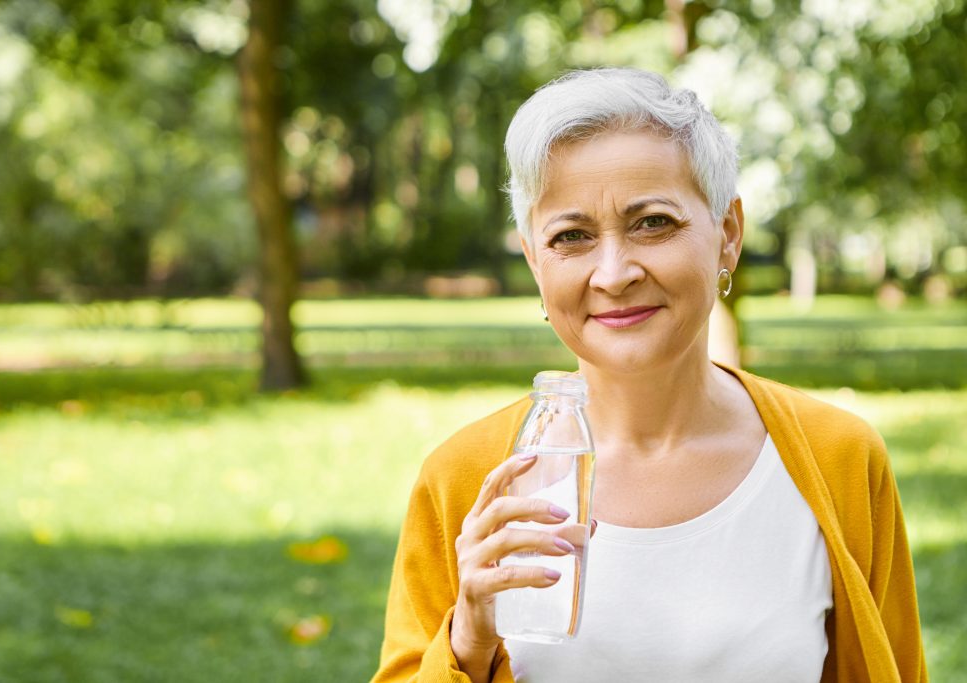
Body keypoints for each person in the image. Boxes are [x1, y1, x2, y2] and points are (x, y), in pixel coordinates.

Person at [371, 68, 926, 683]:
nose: (613, 273)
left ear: (728, 235)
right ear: (535, 261)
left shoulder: (840, 461)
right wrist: (467, 640)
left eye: (652, 223)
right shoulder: (464, 480)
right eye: (572, 236)